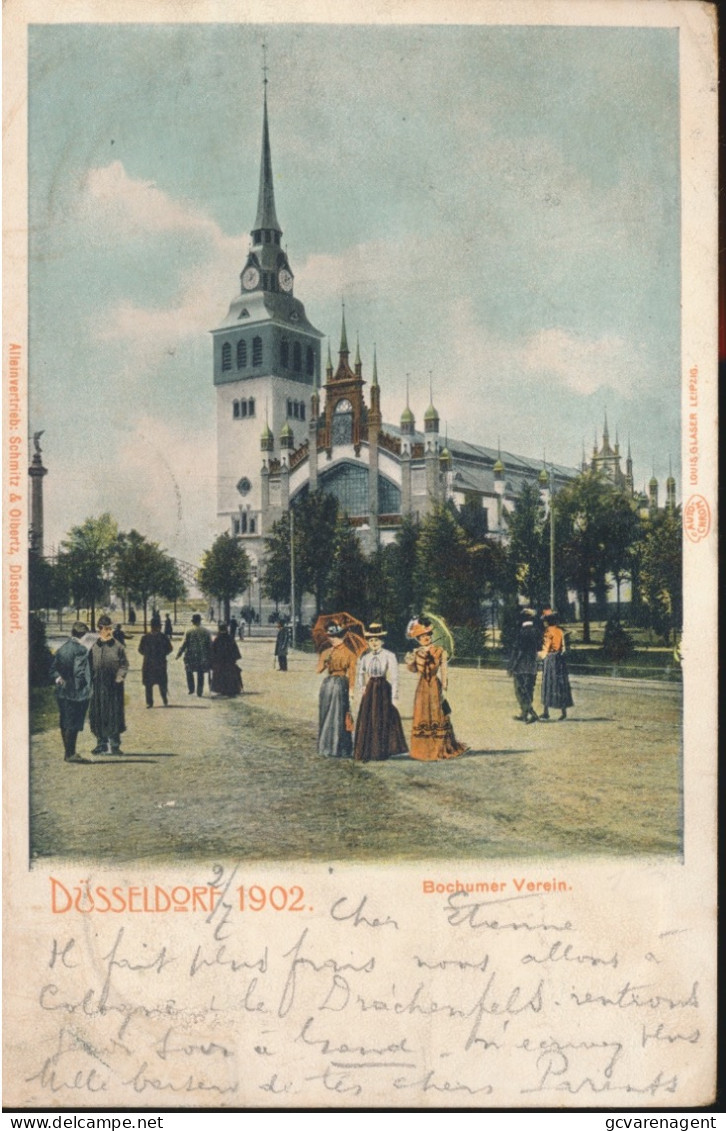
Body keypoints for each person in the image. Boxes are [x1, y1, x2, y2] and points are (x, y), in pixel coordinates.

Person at [405, 619, 468, 760]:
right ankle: (423, 749)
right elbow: (413, 670)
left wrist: (444, 689)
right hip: (422, 688)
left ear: (431, 635)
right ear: (417, 639)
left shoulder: (439, 651)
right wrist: (410, 662)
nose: (424, 638)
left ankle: (439, 748)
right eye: (421, 637)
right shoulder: (416, 653)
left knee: (438, 714)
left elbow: (444, 671)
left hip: (434, 686)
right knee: (423, 714)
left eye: (427, 635)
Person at [354, 623, 408, 762]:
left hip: (383, 688)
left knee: (383, 716)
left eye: (377, 640)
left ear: (382, 641)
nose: (374, 643)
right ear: (367, 642)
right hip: (371, 687)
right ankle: (370, 749)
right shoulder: (365, 657)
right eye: (371, 640)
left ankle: (382, 750)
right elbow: (360, 673)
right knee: (369, 717)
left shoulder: (389, 655)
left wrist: (394, 694)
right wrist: (362, 687)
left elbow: (395, 675)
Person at [50, 621, 92, 763]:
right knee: (73, 723)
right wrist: (85, 688)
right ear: (83, 635)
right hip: (75, 692)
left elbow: (53, 669)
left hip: (62, 691)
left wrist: (58, 678)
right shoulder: (81, 650)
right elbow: (80, 672)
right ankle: (71, 754)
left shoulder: (62, 648)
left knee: (65, 722)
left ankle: (68, 753)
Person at [89, 615, 129, 754]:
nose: (109, 631)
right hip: (98, 686)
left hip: (113, 686)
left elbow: (124, 664)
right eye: (106, 629)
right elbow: (89, 665)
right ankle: (101, 743)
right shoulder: (94, 646)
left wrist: (120, 676)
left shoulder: (118, 646)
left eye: (110, 628)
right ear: (99, 629)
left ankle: (115, 745)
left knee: (114, 715)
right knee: (98, 714)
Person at [317, 625, 357, 758]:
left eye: (336, 637)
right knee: (325, 712)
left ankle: (339, 748)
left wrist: (351, 691)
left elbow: (352, 674)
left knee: (338, 714)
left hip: (341, 684)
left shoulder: (349, 653)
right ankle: (325, 746)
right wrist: (325, 662)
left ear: (343, 637)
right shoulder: (326, 652)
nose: (333, 639)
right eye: (331, 637)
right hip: (328, 684)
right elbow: (318, 670)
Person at [539, 612, 574, 720]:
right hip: (560, 660)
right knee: (560, 685)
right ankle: (563, 712)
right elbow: (564, 647)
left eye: (545, 621)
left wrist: (541, 657)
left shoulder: (548, 632)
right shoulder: (560, 631)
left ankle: (546, 712)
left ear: (548, 622)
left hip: (550, 659)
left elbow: (546, 647)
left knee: (547, 684)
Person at [508, 608, 540, 723]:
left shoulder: (521, 632)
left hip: (521, 666)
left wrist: (512, 666)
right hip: (532, 666)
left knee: (519, 691)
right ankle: (524, 714)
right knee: (529, 690)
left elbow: (518, 651)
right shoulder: (536, 631)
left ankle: (530, 712)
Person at [176, 613, 213, 697]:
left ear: (192, 622)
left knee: (189, 671)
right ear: (200, 621)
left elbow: (184, 644)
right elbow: (210, 645)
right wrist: (211, 656)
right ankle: (199, 691)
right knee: (201, 673)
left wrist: (179, 654)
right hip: (202, 656)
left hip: (190, 656)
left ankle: (191, 689)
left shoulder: (189, 631)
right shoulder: (206, 631)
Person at [138, 622, 173, 707]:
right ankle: (164, 700)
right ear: (158, 627)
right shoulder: (163, 637)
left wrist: (147, 655)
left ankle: (149, 703)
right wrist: (163, 654)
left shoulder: (145, 637)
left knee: (148, 685)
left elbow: (140, 650)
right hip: (160, 663)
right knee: (162, 683)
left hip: (148, 663)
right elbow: (170, 649)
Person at [210, 623, 243, 696]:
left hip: (219, 663)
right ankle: (230, 688)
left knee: (220, 675)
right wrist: (234, 659)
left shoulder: (217, 639)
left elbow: (213, 651)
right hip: (229, 662)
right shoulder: (230, 638)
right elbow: (235, 651)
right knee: (230, 675)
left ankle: (220, 689)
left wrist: (213, 661)